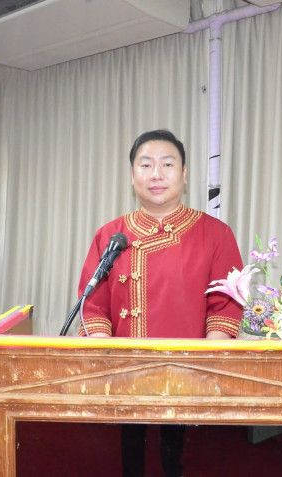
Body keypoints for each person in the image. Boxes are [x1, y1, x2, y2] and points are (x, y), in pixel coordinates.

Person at [77, 129, 243, 476]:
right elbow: (92, 305)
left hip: (188, 375)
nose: (156, 174)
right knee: (129, 456)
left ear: (184, 174)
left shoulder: (216, 234)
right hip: (124, 372)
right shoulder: (111, 235)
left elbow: (225, 307)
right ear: (132, 175)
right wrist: (107, 357)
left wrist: (203, 366)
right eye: (146, 165)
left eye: (167, 164)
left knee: (176, 459)